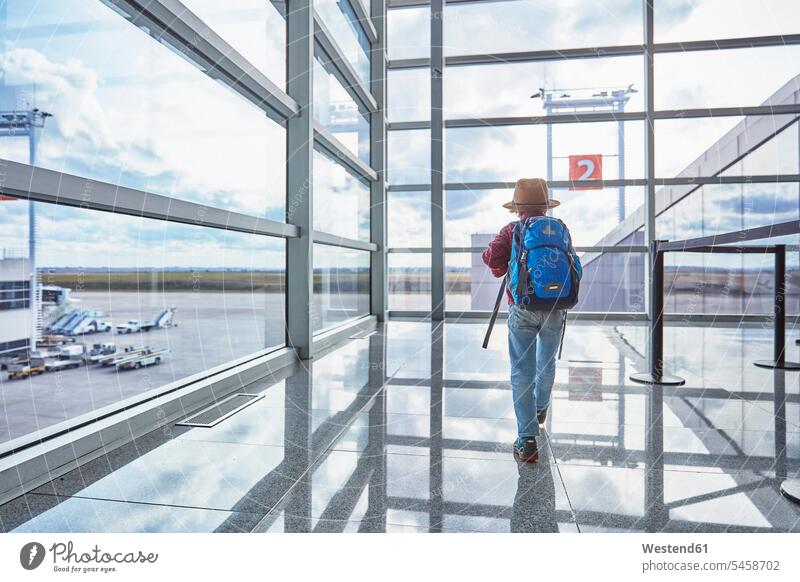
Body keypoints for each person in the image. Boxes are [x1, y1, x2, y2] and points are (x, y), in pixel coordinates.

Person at [482, 178, 581, 463]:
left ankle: (527, 441)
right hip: (556, 307)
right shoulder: (559, 229)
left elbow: (492, 260)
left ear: (517, 208)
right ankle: (540, 408)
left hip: (522, 308)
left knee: (521, 371)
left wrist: (504, 263)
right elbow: (573, 263)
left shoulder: (511, 230)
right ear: (545, 205)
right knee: (546, 362)